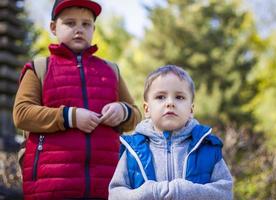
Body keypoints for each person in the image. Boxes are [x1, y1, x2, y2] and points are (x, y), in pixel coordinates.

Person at [13, 0, 141, 199]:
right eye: (70, 23)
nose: (79, 29)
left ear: (93, 29)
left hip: (107, 185)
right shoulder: (39, 68)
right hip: (50, 186)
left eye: (86, 24)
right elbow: (21, 114)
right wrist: (69, 116)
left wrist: (123, 111)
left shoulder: (111, 70)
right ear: (54, 28)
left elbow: (136, 115)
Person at [109, 65, 233, 200]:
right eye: (161, 97)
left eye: (179, 97)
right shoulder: (132, 150)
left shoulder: (206, 146)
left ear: (191, 110)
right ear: (146, 109)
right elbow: (115, 194)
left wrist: (184, 191)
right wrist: (149, 192)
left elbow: (225, 192)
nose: (170, 103)